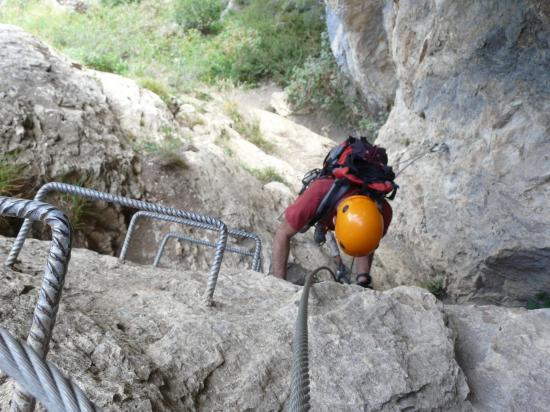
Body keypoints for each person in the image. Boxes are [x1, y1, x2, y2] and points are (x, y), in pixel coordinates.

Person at [271, 137, 395, 288]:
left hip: (345, 205)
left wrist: (363, 280)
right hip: (325, 201)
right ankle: (322, 225)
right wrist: (279, 285)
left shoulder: (383, 214)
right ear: (335, 221)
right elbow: (282, 234)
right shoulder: (318, 192)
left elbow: (366, 242)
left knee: (364, 233)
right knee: (307, 221)